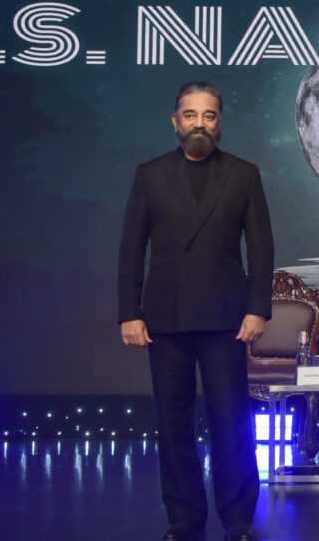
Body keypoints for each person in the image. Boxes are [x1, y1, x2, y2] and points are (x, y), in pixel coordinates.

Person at [118, 81, 273, 541]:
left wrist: (258, 309)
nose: (199, 124)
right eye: (190, 115)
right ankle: (184, 517)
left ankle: (238, 517)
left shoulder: (244, 174)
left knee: (232, 422)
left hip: (227, 319)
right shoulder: (149, 175)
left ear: (219, 122)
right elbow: (131, 249)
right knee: (173, 424)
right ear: (175, 121)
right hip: (164, 320)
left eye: (208, 115)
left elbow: (261, 249)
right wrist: (129, 312)